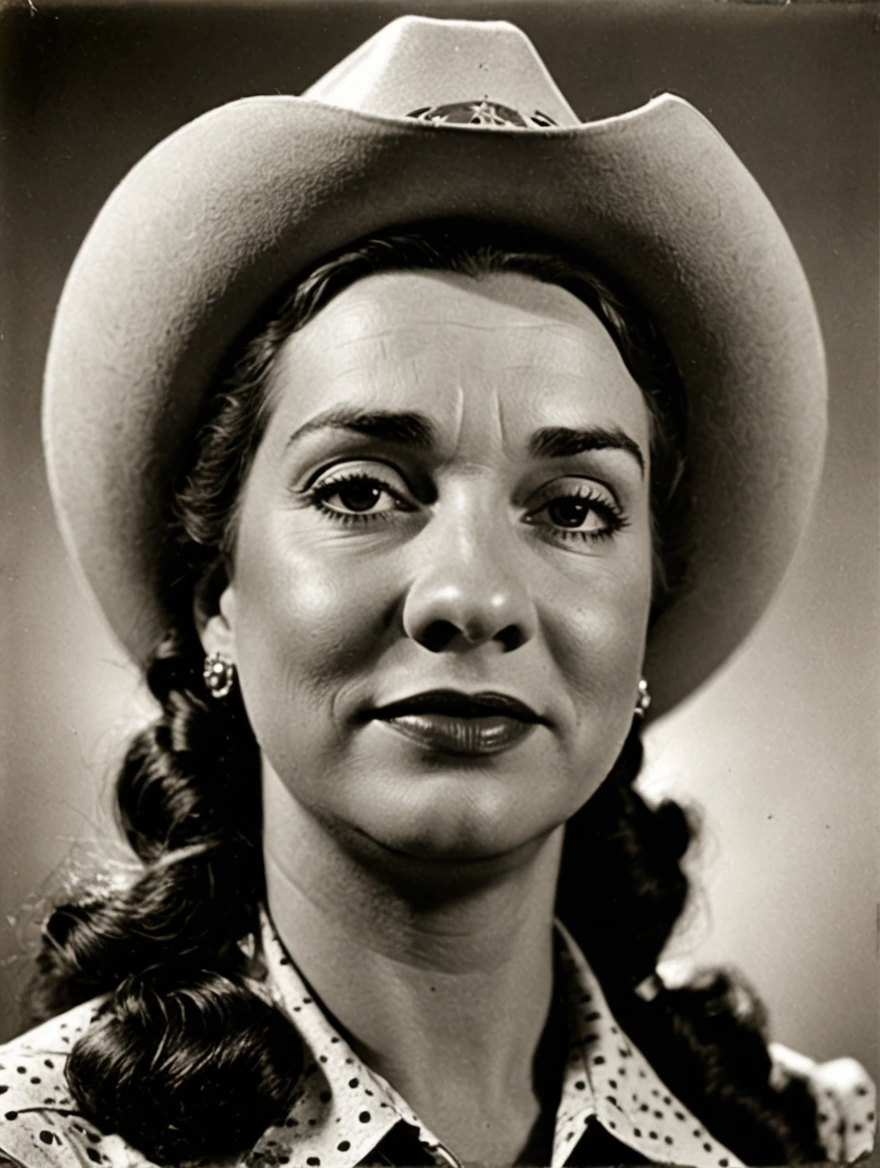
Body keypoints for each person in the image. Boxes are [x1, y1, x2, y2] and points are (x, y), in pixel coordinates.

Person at [0, 15, 874, 1168]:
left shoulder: (815, 1139)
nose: (471, 594)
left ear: (644, 612)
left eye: (572, 507)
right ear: (219, 595)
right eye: (361, 490)